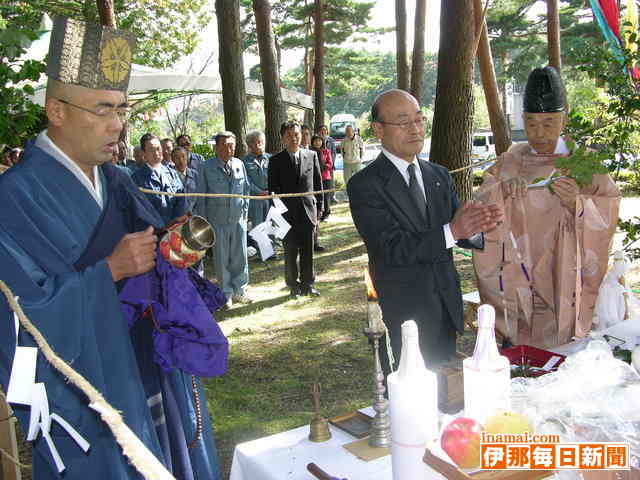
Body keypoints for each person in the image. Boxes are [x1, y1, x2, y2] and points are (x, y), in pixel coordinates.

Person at [0, 16, 223, 479]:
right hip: (92, 381)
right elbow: (18, 316)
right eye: (102, 110)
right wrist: (111, 270)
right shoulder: (14, 196)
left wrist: (167, 247)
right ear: (56, 110)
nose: (118, 125)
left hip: (147, 360)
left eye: (121, 110)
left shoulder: (117, 180)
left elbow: (149, 252)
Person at [348, 89, 503, 378]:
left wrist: (477, 226)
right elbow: (391, 247)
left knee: (448, 395)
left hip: (445, 306)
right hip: (403, 315)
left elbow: (456, 230)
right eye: (403, 122)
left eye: (419, 120)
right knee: (410, 396)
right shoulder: (365, 185)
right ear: (378, 130)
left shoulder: (438, 176)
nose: (415, 129)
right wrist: (453, 230)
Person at [473, 66, 620, 348]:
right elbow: (481, 208)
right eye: (531, 123)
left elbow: (609, 207)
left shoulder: (583, 163)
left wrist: (578, 204)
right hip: (518, 270)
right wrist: (502, 191)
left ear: (563, 121)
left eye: (549, 123)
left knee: (563, 343)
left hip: (563, 271)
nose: (539, 133)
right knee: (522, 346)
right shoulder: (510, 161)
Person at [196, 131, 251, 308]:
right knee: (221, 259)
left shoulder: (239, 164)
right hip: (216, 221)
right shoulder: (206, 167)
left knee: (240, 256)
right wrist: (204, 224)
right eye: (225, 145)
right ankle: (226, 293)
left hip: (237, 220)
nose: (229, 149)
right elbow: (201, 196)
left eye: (232, 146)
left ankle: (240, 290)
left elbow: (246, 191)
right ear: (216, 147)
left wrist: (244, 214)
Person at [268, 121, 324, 298]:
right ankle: (293, 285)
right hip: (286, 214)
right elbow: (272, 190)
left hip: (308, 211)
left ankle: (308, 284)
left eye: (297, 135)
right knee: (290, 252)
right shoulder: (275, 160)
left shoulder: (311, 155)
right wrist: (278, 215)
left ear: (302, 135)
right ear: (283, 138)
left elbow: (318, 183)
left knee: (308, 250)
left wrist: (320, 206)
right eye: (290, 135)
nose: (294, 138)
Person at [132, 133, 187, 224]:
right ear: (143, 153)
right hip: (151, 233)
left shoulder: (172, 174)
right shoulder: (136, 179)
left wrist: (175, 223)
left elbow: (181, 201)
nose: (156, 153)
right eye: (151, 150)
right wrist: (162, 227)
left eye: (158, 148)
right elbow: (139, 211)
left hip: (174, 231)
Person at [243, 130, 271, 230]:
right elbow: (246, 181)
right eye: (258, 142)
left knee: (270, 226)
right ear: (250, 144)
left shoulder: (271, 158)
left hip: (270, 197)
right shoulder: (244, 161)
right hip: (254, 199)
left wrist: (270, 191)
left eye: (262, 141)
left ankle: (271, 245)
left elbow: (275, 177)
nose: (261, 144)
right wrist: (259, 192)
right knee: (257, 228)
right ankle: (256, 245)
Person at [310, 134, 332, 224]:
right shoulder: (310, 152)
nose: (317, 142)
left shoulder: (326, 151)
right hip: (314, 178)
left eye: (319, 140)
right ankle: (318, 214)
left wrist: (323, 166)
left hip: (325, 176)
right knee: (317, 196)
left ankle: (326, 214)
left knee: (326, 196)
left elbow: (330, 164)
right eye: (315, 141)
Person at [172, 146, 199, 213]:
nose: (181, 160)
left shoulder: (196, 175)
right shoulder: (169, 176)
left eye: (183, 156)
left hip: (195, 216)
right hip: (177, 217)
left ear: (187, 158)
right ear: (172, 160)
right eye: (177, 158)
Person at [318, 124, 337, 204]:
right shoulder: (317, 140)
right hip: (320, 166)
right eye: (321, 130)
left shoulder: (331, 140)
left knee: (330, 182)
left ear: (327, 131)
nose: (323, 131)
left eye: (324, 130)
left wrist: (331, 163)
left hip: (329, 165)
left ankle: (332, 197)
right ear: (319, 131)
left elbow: (334, 152)